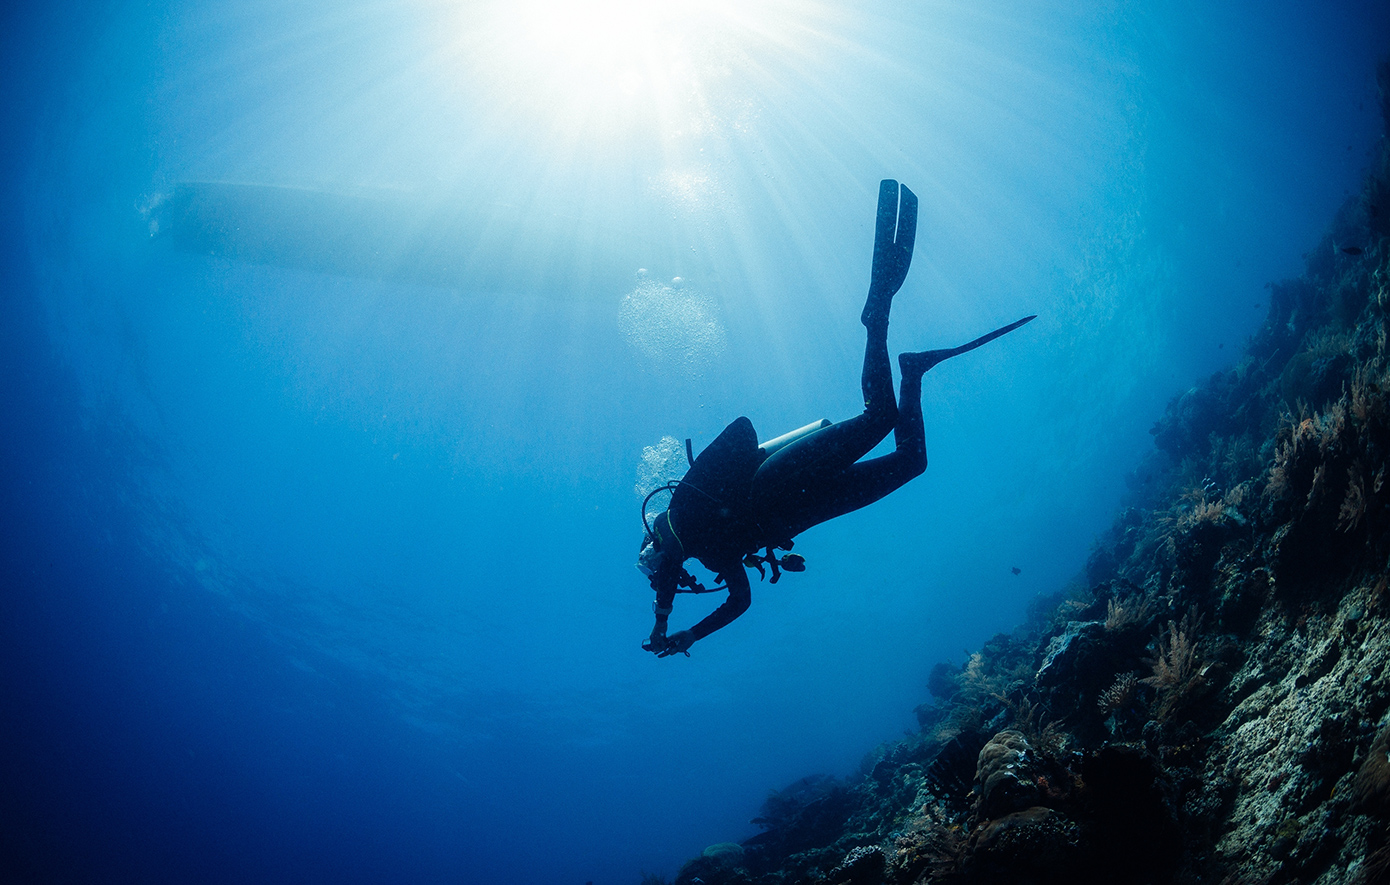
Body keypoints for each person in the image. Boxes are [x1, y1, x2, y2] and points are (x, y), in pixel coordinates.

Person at [637, 180, 1033, 657]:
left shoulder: (683, 511)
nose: (672, 578)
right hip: (807, 510)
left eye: (660, 569)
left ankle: (876, 318)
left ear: (657, 545)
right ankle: (913, 370)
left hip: (775, 482)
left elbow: (674, 552)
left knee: (879, 418)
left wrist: (662, 619)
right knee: (911, 463)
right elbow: (740, 603)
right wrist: (689, 635)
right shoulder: (716, 554)